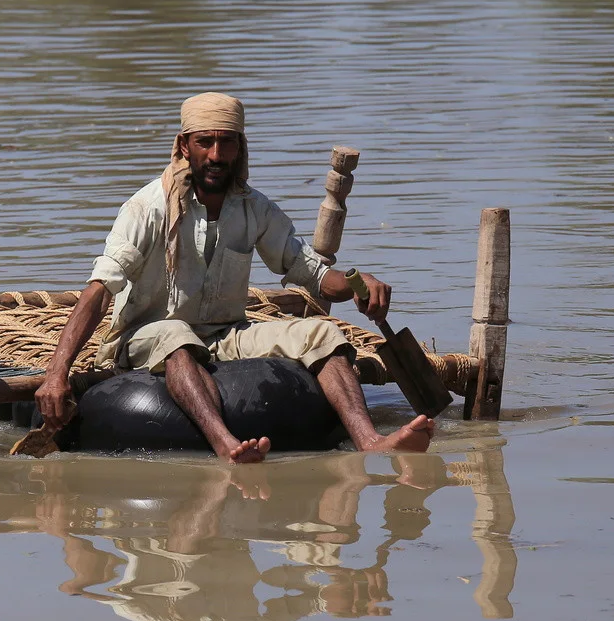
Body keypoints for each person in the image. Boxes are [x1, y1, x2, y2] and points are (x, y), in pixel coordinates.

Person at [35, 91, 435, 463]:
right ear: (184, 146)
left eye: (227, 142)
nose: (216, 155)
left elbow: (311, 272)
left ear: (240, 148)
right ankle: (227, 446)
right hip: (146, 336)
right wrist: (56, 374)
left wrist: (358, 282)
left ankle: (371, 441)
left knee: (322, 332)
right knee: (175, 334)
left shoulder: (252, 207)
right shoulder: (147, 208)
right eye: (204, 142)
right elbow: (100, 289)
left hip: (226, 335)